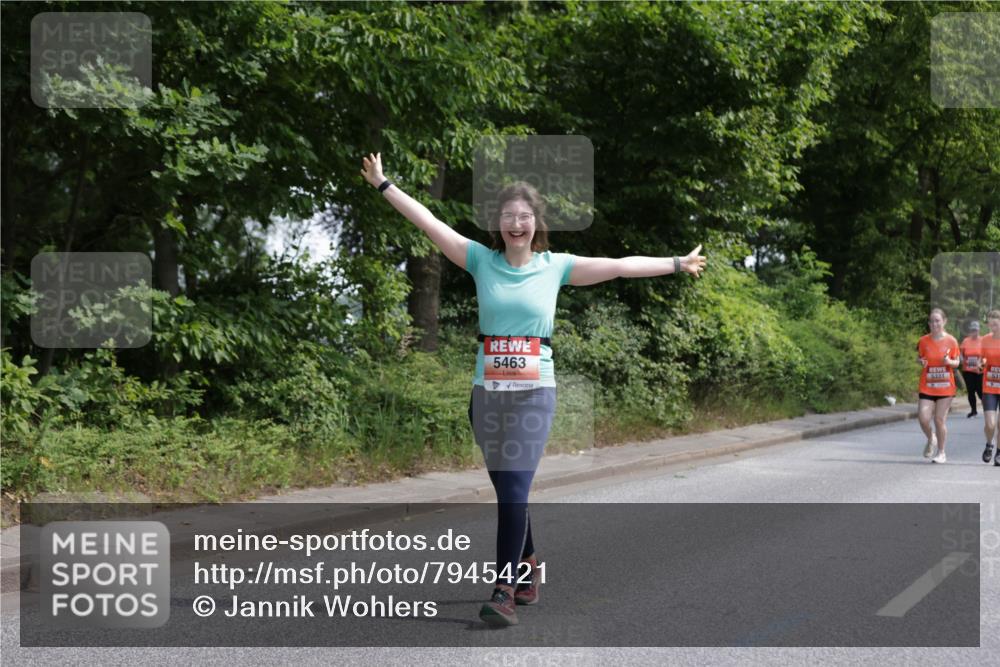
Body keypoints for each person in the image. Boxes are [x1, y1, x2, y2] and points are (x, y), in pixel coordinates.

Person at [360, 152, 707, 626]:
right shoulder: (479, 260)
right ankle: (529, 567)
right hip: (486, 393)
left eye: (523, 216)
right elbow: (429, 222)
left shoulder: (555, 266)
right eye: (507, 217)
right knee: (509, 492)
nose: (515, 223)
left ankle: (503, 590)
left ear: (535, 223)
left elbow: (622, 265)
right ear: (498, 224)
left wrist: (675, 263)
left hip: (534, 392)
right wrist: (383, 184)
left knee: (516, 487)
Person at [915, 308, 960, 463]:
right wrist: (920, 361)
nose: (934, 324)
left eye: (937, 321)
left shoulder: (951, 341)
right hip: (927, 386)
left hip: (945, 387)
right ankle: (931, 437)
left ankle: (941, 452)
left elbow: (957, 363)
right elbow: (919, 357)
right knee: (923, 418)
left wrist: (949, 362)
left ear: (944, 321)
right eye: (931, 321)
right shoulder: (923, 341)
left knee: (939, 419)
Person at [977, 310, 1000, 466]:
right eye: (990, 324)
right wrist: (980, 364)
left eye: (995, 323)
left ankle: (999, 452)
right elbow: (981, 360)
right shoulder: (985, 340)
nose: (992, 326)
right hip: (990, 386)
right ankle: (989, 444)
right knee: (990, 424)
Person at [959, 321, 984, 418]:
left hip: (979, 370)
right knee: (970, 391)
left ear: (979, 330)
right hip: (968, 370)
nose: (974, 332)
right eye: (973, 330)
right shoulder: (966, 341)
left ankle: (987, 408)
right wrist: (961, 359)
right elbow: (961, 353)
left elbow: (986, 354)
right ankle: (973, 410)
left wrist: (981, 362)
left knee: (980, 391)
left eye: (976, 330)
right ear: (970, 330)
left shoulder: (983, 340)